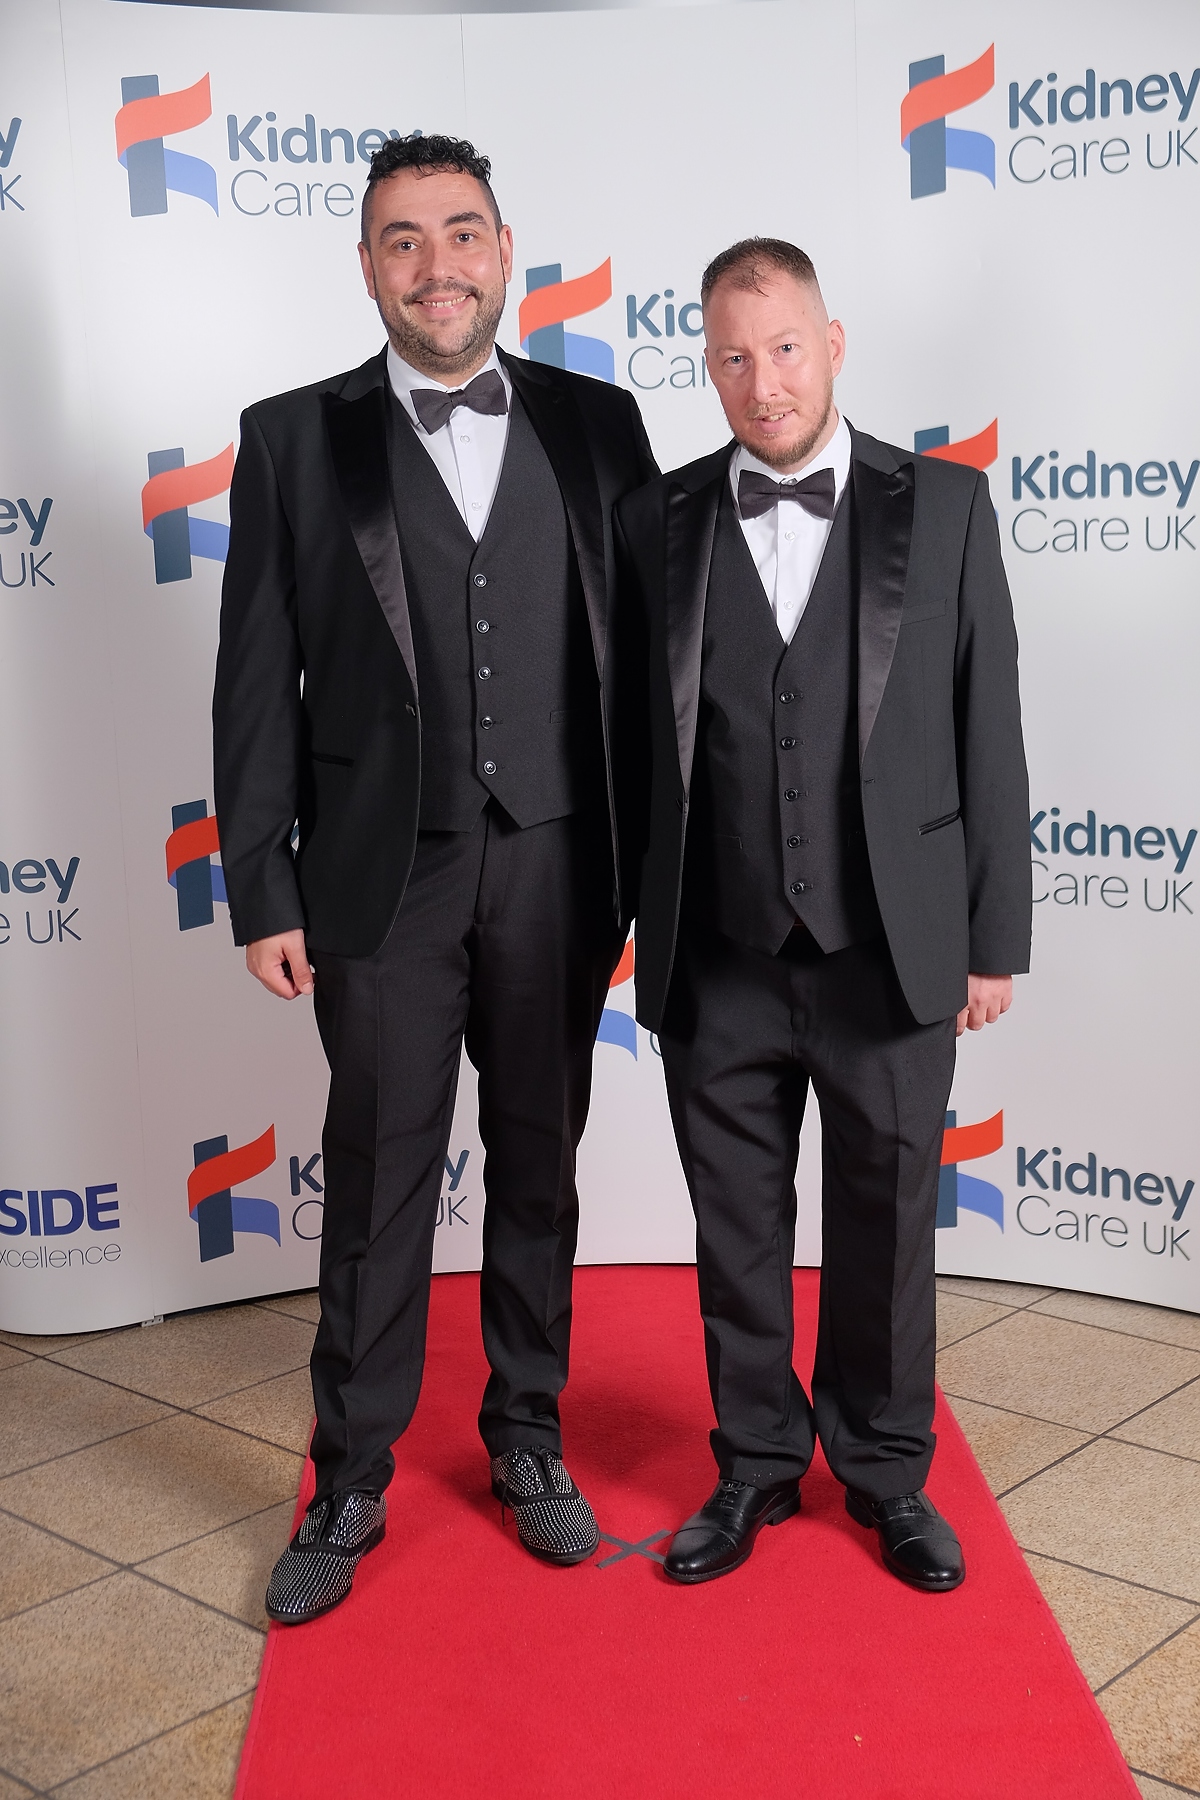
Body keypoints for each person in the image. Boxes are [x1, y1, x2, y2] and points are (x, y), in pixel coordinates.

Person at [213, 134, 656, 1623]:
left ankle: (526, 1437)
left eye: (459, 233)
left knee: (539, 1166)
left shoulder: (602, 425)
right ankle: (350, 1473)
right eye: (403, 240)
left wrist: (664, 878)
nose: (437, 264)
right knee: (385, 1177)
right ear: (367, 266)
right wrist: (262, 885)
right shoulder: (290, 437)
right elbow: (254, 675)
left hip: (562, 865)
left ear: (504, 247)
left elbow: (656, 676)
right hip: (376, 881)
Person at [615, 238, 1030, 1592]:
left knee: (885, 1225)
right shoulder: (655, 521)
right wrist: (630, 923)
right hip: (719, 953)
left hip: (890, 950)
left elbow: (990, 735)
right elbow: (631, 746)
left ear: (834, 342)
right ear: (708, 366)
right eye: (732, 357)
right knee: (732, 1228)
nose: (762, 381)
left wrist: (990, 939)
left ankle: (888, 1473)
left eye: (784, 347)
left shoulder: (948, 510)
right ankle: (752, 1467)